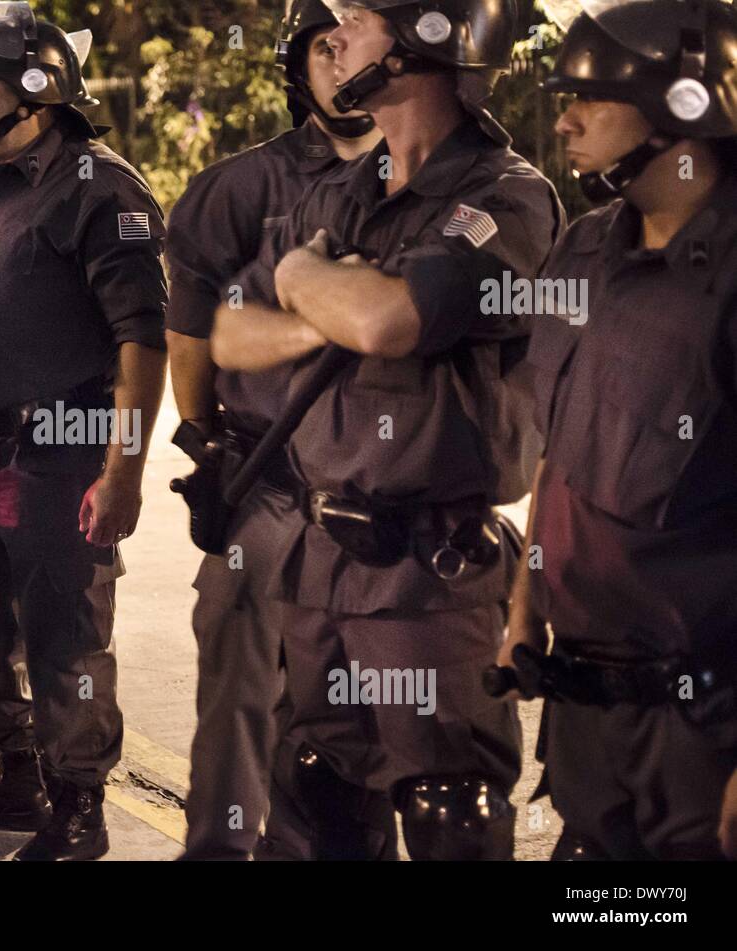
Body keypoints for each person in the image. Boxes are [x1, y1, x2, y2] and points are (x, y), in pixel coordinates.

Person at [211, 0, 562, 859]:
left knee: (450, 809)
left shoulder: (503, 198)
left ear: (424, 42)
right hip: (319, 558)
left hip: (429, 578)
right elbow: (229, 331)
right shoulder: (341, 189)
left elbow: (394, 321)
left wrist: (310, 282)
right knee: (313, 792)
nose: (334, 37)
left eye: (359, 18)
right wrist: (316, 299)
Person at [0, 2, 167, 861]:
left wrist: (125, 470)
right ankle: (11, 770)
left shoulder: (101, 188)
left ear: (40, 89)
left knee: (67, 635)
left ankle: (79, 802)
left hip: (61, 451)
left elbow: (143, 336)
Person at [497, 0, 737, 861]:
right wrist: (526, 607)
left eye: (592, 98)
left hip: (704, 733)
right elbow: (560, 454)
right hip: (584, 708)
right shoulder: (583, 250)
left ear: (683, 107)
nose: (564, 118)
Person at [166, 0, 382, 861]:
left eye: (353, 46)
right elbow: (189, 330)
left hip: (371, 492)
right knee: (237, 694)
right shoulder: (237, 186)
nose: (342, 63)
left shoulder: (425, 183)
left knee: (350, 718)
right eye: (323, 48)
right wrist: (200, 442)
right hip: (264, 480)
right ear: (297, 65)